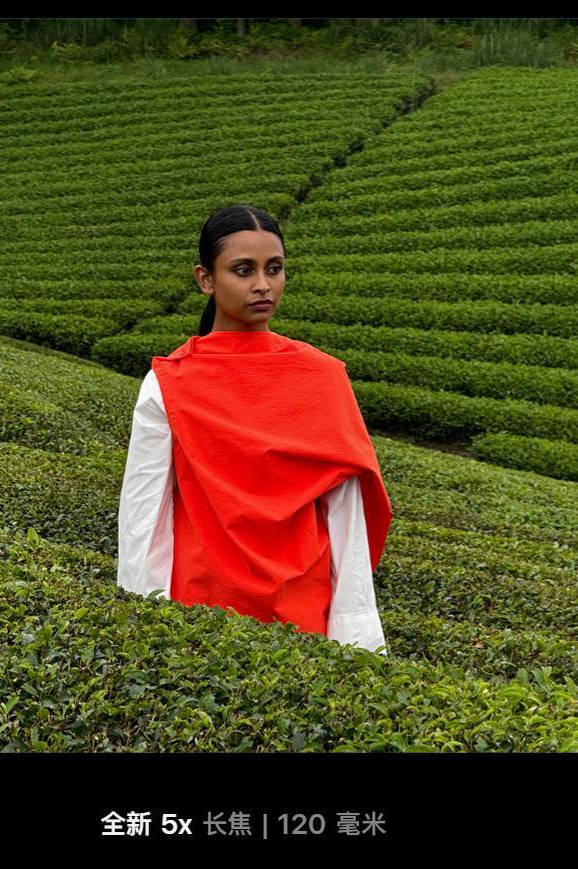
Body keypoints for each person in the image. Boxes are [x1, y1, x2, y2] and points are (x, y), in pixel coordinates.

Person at [117, 204, 393, 655]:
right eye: (243, 270)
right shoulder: (168, 383)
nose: (263, 285)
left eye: (275, 269)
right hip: (198, 613)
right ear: (205, 279)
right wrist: (147, 626)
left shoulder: (322, 378)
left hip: (306, 613)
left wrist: (358, 641)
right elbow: (144, 518)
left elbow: (346, 521)